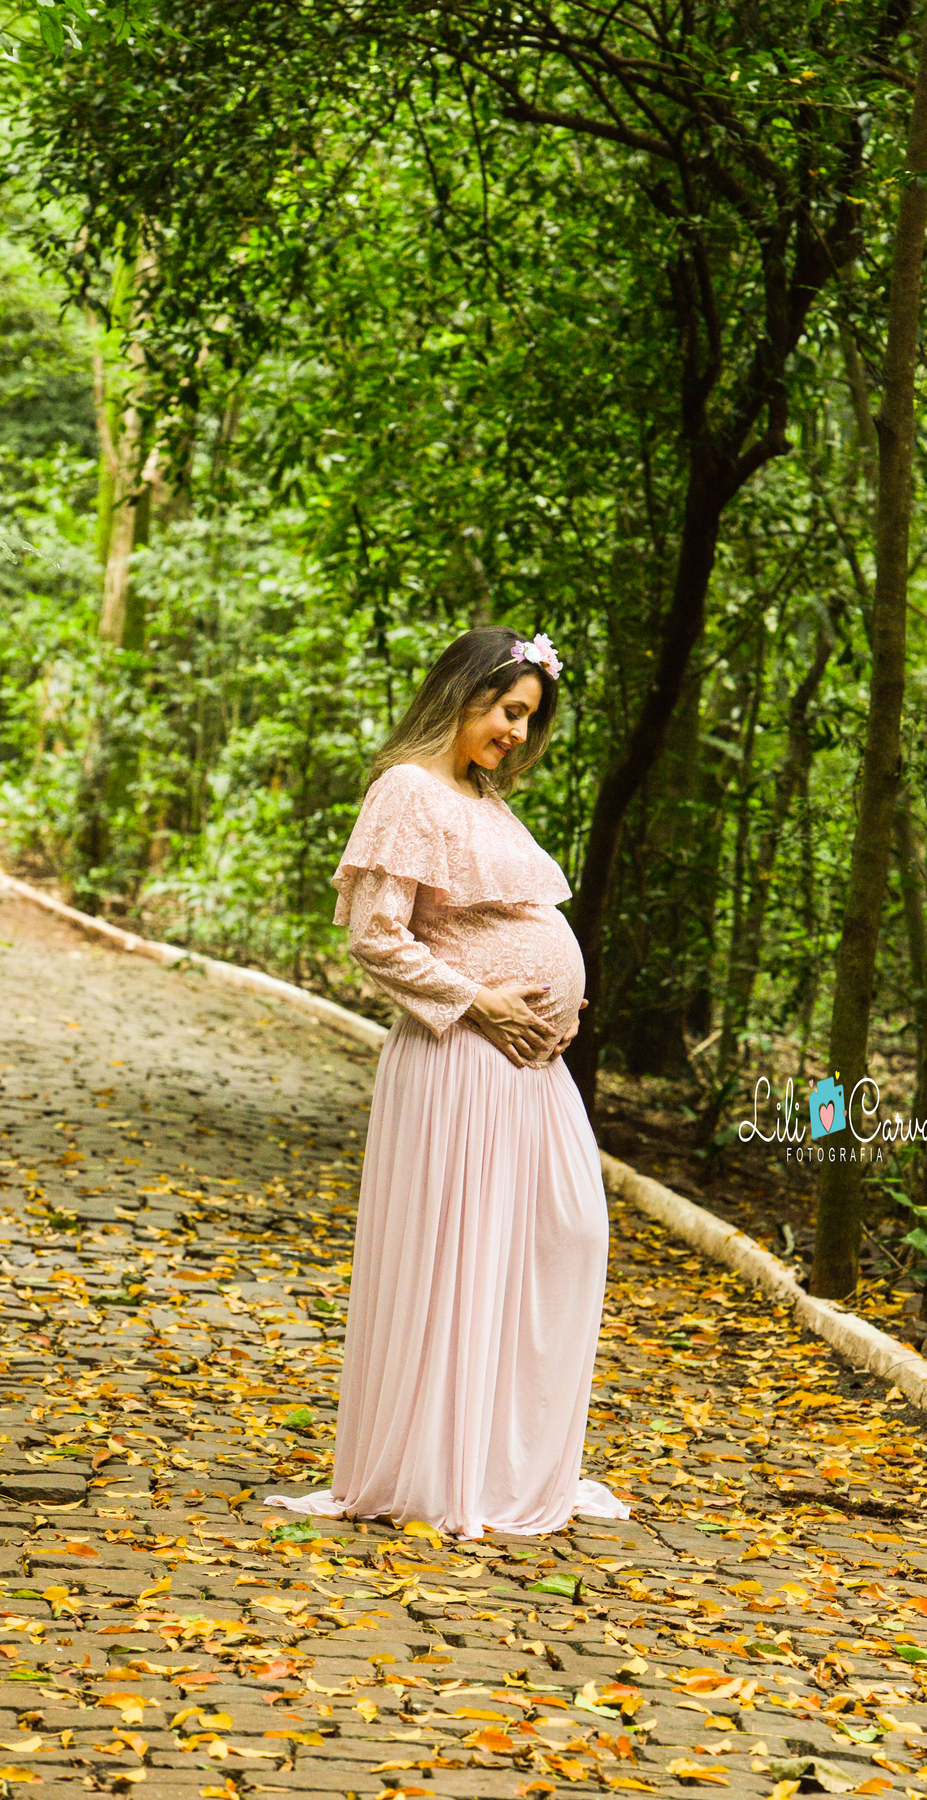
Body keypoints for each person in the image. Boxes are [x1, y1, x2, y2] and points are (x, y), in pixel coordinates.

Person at [265, 626, 628, 1538]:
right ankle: (446, 1467)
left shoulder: (485, 798)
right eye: (508, 712)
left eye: (528, 719)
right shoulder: (409, 789)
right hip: (462, 1057)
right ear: (463, 694)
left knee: (565, 1235)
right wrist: (475, 1000)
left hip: (526, 1062)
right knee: (466, 1257)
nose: (517, 733)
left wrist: (548, 1006)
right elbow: (377, 936)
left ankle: (503, 1455)